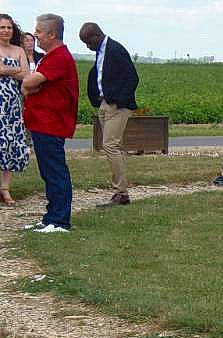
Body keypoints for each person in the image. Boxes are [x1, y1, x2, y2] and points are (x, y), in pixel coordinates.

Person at [21, 13, 78, 232]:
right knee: (49, 171)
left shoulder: (59, 57)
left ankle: (60, 220)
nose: (35, 35)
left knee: (55, 171)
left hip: (51, 123)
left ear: (52, 34)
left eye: (39, 32)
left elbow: (30, 81)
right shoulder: (49, 57)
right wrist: (30, 86)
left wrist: (29, 85)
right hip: (42, 122)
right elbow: (32, 85)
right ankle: (51, 217)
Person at [79, 22, 139, 207]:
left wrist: (117, 101)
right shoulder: (102, 51)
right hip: (106, 103)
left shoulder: (115, 50)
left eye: (88, 42)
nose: (88, 47)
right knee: (114, 147)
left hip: (117, 106)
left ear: (97, 36)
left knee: (109, 146)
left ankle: (121, 193)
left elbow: (132, 78)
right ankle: (120, 192)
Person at [0, 14, 30, 207]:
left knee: (10, 144)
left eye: (9, 27)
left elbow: (26, 74)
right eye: (2, 27)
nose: (5, 31)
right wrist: (15, 70)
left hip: (12, 103)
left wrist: (7, 70)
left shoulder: (19, 49)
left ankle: (5, 188)